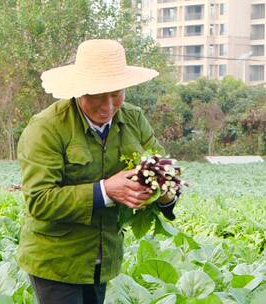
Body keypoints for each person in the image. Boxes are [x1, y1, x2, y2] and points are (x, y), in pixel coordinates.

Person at [16, 39, 178, 304]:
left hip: (103, 258)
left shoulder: (133, 119)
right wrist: (106, 190)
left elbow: (162, 168)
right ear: (79, 90)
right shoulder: (46, 128)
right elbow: (39, 200)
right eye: (98, 95)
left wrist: (161, 193)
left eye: (116, 94)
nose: (108, 106)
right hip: (56, 260)